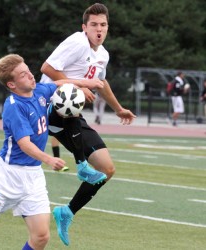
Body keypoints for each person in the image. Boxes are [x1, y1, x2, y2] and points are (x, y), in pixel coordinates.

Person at [0, 54, 103, 250]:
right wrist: (49, 159)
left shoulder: (40, 91)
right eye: (23, 75)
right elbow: (25, 144)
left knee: (41, 236)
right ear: (12, 85)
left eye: (28, 71)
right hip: (7, 176)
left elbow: (60, 82)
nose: (31, 76)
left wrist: (87, 82)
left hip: (33, 176)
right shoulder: (14, 107)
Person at [40, 3, 136, 246]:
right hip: (49, 106)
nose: (99, 29)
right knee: (73, 96)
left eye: (103, 25)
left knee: (107, 170)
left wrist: (118, 109)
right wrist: (79, 86)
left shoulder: (102, 54)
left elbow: (101, 84)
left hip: (71, 113)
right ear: (85, 27)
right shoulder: (77, 42)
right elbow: (47, 68)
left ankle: (67, 212)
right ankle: (81, 163)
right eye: (94, 25)